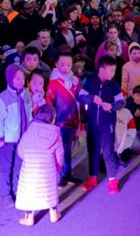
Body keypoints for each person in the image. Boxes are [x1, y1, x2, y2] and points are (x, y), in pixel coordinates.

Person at [78, 55, 124, 194]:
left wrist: (111, 105)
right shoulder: (90, 82)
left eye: (114, 70)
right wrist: (91, 98)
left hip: (107, 125)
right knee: (93, 151)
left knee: (109, 152)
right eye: (111, 70)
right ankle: (92, 177)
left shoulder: (114, 85)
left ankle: (112, 180)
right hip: (92, 123)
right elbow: (80, 96)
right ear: (101, 70)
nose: (113, 73)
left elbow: (121, 102)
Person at [15, 104, 64, 226]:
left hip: (30, 169)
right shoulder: (56, 134)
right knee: (49, 191)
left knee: (29, 192)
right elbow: (60, 155)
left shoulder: (29, 132)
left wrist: (28, 158)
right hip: (48, 169)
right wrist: (57, 167)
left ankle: (29, 218)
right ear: (52, 118)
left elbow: (20, 151)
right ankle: (53, 214)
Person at [0, 64, 32, 209]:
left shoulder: (26, 95)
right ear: (10, 79)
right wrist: (0, 138)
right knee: (6, 167)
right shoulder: (2, 98)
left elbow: (29, 115)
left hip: (22, 138)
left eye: (22, 79)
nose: (20, 81)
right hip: (8, 140)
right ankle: (6, 193)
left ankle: (17, 190)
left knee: (19, 166)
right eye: (17, 79)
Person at [46, 51, 82, 185]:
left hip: (72, 121)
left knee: (68, 149)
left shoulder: (76, 81)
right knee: (57, 151)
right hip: (59, 123)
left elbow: (80, 99)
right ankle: (59, 176)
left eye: (68, 65)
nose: (65, 68)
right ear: (56, 65)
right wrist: (50, 122)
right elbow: (49, 103)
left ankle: (67, 173)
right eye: (62, 65)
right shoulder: (53, 84)